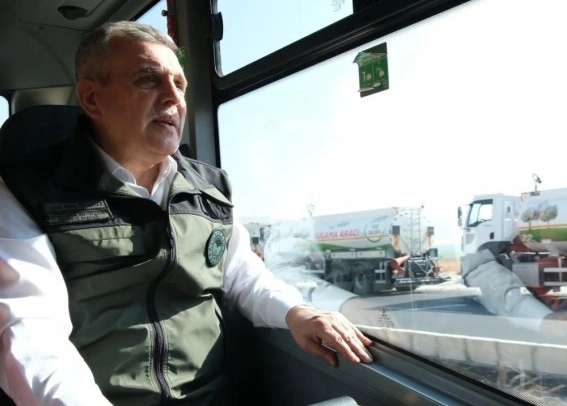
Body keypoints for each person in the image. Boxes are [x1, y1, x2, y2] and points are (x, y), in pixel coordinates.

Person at [0, 21, 372, 405]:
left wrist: (296, 312)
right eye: (149, 80)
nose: (173, 98)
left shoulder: (210, 189)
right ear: (92, 98)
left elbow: (242, 274)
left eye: (179, 84)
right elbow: (30, 331)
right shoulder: (27, 193)